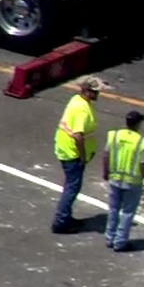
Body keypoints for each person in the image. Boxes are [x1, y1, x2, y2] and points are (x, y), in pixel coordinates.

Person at [52, 76, 105, 233]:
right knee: (72, 188)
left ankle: (66, 217)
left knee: (71, 185)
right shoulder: (82, 109)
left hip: (65, 147)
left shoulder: (76, 100)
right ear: (86, 91)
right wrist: (83, 156)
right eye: (95, 91)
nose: (98, 94)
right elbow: (78, 135)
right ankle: (61, 221)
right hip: (72, 153)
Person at [103, 111, 144, 251]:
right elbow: (143, 164)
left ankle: (109, 238)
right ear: (138, 124)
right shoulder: (141, 142)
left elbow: (106, 155)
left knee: (113, 209)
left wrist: (106, 172)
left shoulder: (115, 136)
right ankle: (120, 242)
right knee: (127, 212)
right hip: (132, 182)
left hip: (115, 179)